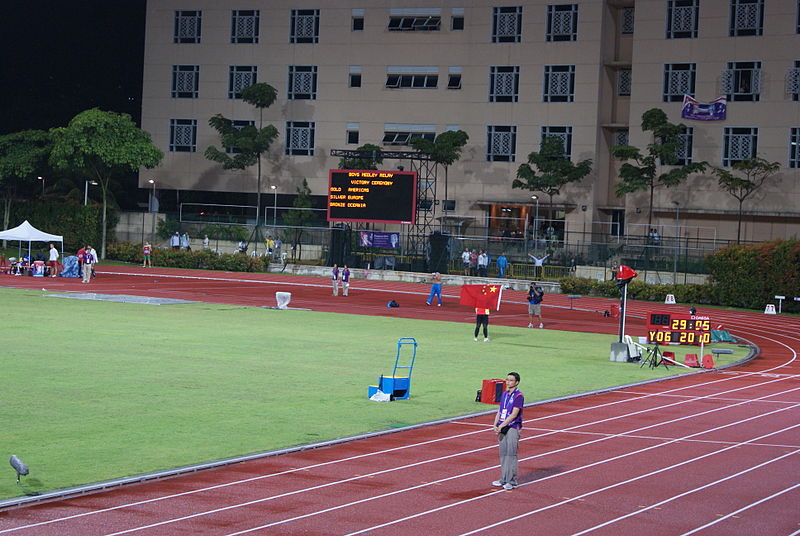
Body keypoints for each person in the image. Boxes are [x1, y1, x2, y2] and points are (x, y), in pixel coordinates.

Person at [492, 372, 524, 490]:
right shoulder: (504, 394)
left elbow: (514, 414)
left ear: (516, 382)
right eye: (507, 379)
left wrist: (502, 425)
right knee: (503, 454)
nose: (508, 382)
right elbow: (500, 411)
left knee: (511, 454)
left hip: (512, 427)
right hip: (502, 426)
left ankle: (512, 480)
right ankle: (503, 478)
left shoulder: (518, 396)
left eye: (511, 380)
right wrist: (495, 424)